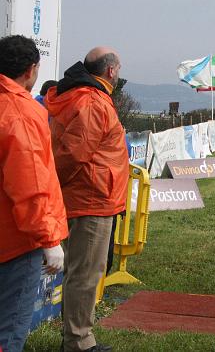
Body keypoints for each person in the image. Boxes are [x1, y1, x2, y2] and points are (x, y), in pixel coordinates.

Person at [45, 47, 129, 352]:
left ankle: (76, 336)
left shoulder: (86, 96)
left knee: (81, 271)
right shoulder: (93, 101)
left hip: (90, 195)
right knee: (85, 274)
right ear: (110, 71)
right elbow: (70, 155)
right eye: (119, 69)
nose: (119, 74)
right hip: (92, 199)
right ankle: (79, 341)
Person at [0, 35, 67, 352]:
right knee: (9, 331)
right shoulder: (20, 113)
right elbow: (28, 184)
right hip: (14, 242)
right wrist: (49, 239)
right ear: (31, 70)